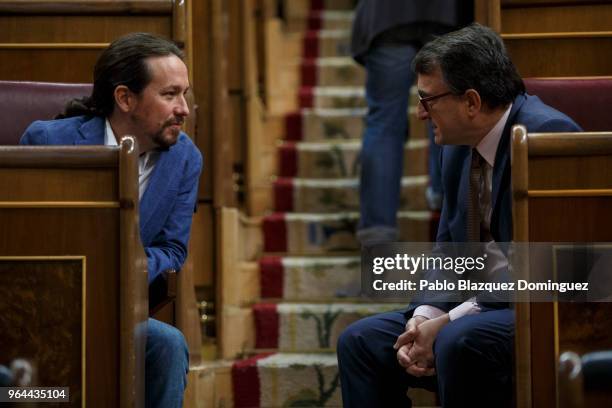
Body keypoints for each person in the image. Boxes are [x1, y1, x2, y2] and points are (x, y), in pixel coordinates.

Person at [337, 23, 581, 407]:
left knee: (457, 340)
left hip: (545, 309)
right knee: (361, 341)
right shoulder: (455, 146)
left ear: (471, 102)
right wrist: (425, 313)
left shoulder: (545, 137)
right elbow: (449, 247)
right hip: (477, 307)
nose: (419, 113)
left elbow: (549, 269)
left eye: (427, 99)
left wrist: (449, 322)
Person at [20, 32, 202, 408]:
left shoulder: (186, 158)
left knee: (167, 344)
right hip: (38, 301)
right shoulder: (47, 142)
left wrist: (124, 269)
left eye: (184, 93)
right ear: (125, 98)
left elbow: (172, 248)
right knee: (39, 389)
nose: (184, 108)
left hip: (119, 306)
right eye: (170, 94)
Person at [351, 0, 469, 245]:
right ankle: (444, 202)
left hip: (386, 15)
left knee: (383, 124)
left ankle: (378, 234)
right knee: (446, 111)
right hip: (446, 14)